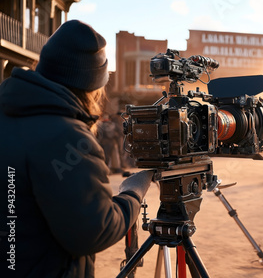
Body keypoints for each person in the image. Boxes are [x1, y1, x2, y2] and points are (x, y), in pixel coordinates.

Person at [0, 20, 153, 277]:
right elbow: (95, 229)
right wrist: (132, 195)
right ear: (92, 85)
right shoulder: (67, 136)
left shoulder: (8, 111)